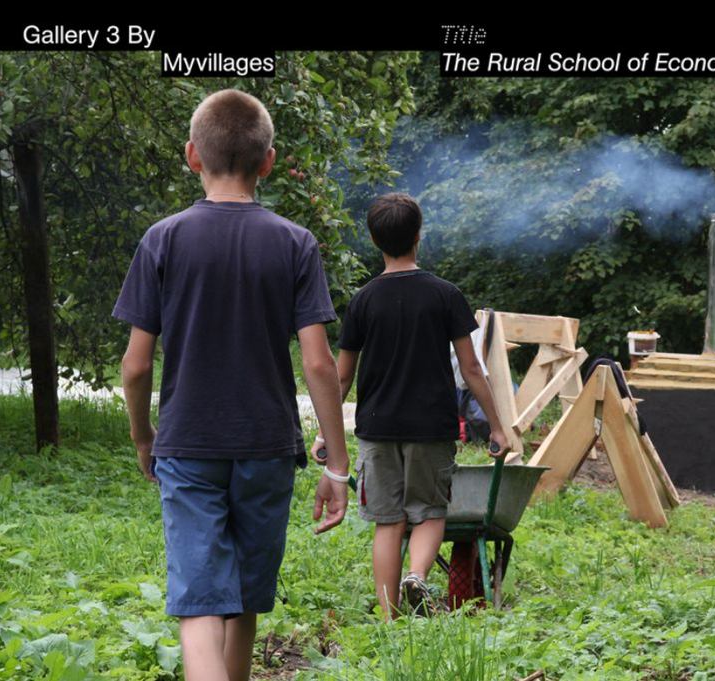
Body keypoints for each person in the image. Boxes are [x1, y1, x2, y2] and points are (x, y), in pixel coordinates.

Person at [114, 88, 350, 681]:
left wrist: (144, 435)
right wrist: (338, 465)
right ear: (268, 162)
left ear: (193, 155)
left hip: (189, 442)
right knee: (244, 597)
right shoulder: (296, 243)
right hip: (267, 445)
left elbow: (137, 366)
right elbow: (320, 365)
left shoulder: (162, 239)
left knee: (199, 602)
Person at [311, 192, 509, 619]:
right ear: (419, 235)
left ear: (374, 239)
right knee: (431, 512)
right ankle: (416, 575)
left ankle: (389, 618)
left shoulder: (363, 301)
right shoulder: (446, 295)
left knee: (388, 521)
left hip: (377, 430)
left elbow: (341, 377)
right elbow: (472, 368)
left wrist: (325, 434)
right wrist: (497, 426)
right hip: (431, 427)